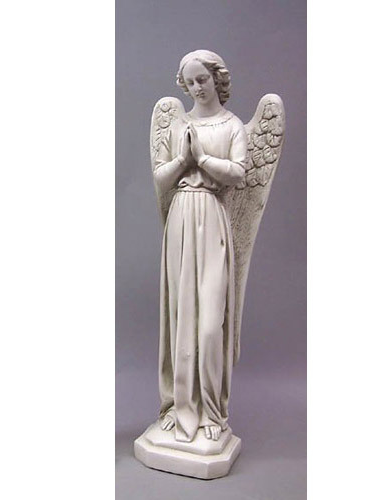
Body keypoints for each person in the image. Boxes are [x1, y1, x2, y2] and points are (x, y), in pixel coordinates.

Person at [153, 50, 247, 443]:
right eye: (190, 81)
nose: (196, 87)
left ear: (217, 79)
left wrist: (203, 158)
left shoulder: (232, 126)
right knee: (181, 316)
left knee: (209, 325)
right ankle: (179, 405)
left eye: (203, 79)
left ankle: (211, 410)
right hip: (181, 217)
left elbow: (239, 174)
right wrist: (182, 159)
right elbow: (161, 178)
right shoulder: (178, 125)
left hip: (212, 218)